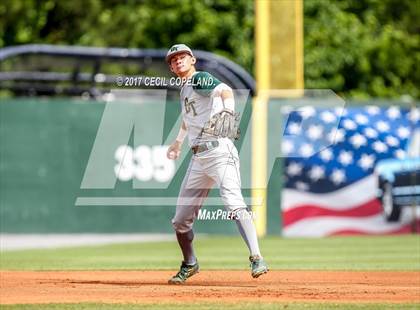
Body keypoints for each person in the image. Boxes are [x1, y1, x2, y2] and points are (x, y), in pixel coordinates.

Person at [165, 44, 268, 284]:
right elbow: (188, 119)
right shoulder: (185, 89)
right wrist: (178, 142)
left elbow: (225, 90)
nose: (178, 61)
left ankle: (257, 257)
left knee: (234, 204)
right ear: (171, 67)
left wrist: (229, 113)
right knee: (180, 221)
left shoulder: (200, 78)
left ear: (192, 60)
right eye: (173, 59)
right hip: (198, 158)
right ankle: (190, 263)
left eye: (182, 56)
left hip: (219, 151)